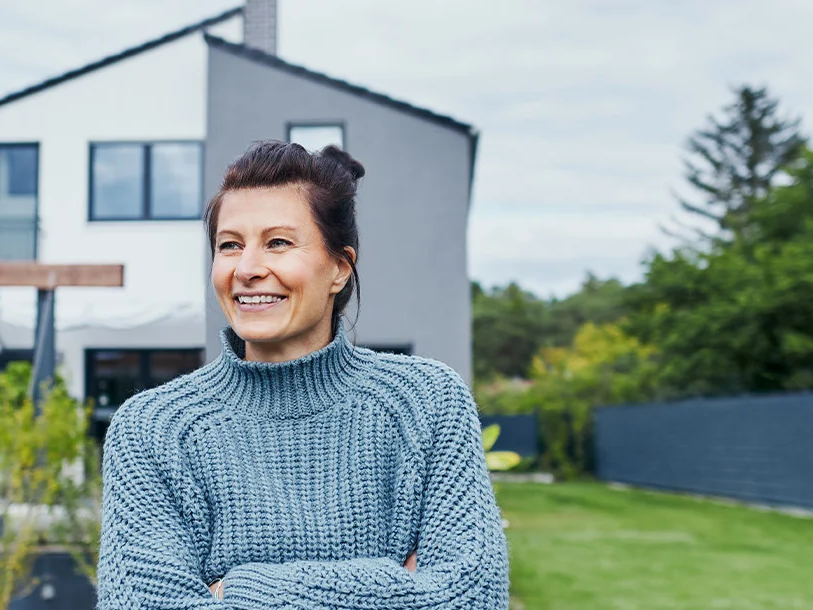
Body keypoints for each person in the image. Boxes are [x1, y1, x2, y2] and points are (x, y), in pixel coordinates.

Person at [96, 140, 511, 608]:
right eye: (229, 245)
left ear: (339, 267)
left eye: (278, 243)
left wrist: (242, 589)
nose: (247, 269)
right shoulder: (152, 428)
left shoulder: (428, 403)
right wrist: (391, 583)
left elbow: (470, 597)